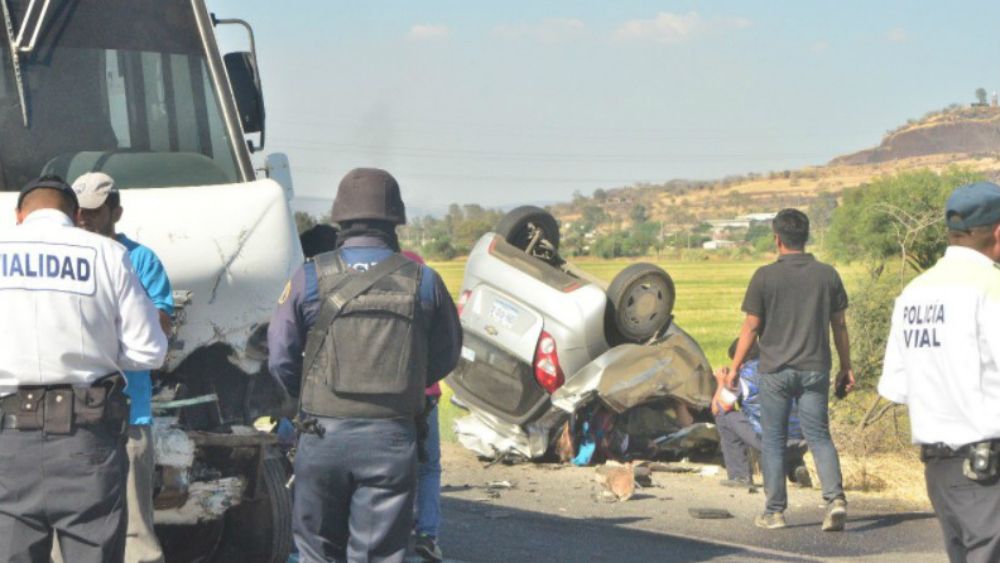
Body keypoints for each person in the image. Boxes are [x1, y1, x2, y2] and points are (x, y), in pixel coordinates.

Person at [268, 167, 462, 563]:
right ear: (395, 222)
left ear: (341, 218)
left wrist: (305, 396)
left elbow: (280, 357)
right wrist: (406, 380)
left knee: (315, 553)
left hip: (321, 435)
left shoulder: (308, 278)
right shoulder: (425, 281)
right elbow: (447, 354)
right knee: (378, 555)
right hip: (391, 438)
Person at [0, 176, 167, 562]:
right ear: (75, 214)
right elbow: (149, 351)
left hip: (8, 445)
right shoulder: (107, 254)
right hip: (86, 441)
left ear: (18, 215)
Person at [879, 182, 1000, 563]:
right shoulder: (990, 287)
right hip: (988, 468)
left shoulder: (914, 292)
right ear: (998, 231)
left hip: (941, 469)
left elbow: (896, 385)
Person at [727, 208, 854, 531]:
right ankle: (835, 499)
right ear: (806, 236)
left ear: (777, 238)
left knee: (773, 439)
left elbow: (751, 328)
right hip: (815, 369)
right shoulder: (828, 275)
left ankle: (774, 512)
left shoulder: (764, 276)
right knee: (819, 435)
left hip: (775, 372)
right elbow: (839, 325)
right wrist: (846, 367)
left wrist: (734, 367)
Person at [72, 172, 174, 563]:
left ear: (116, 211)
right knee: (74, 526)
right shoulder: (66, 258)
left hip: (130, 414)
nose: (83, 218)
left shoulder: (140, 259)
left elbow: (161, 325)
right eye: (77, 209)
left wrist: (121, 300)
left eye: (95, 211)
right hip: (75, 415)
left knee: (135, 532)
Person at [712, 339, 811, 489]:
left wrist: (721, 382)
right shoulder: (784, 369)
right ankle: (795, 467)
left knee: (725, 417)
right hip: (801, 440)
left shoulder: (742, 377)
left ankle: (740, 476)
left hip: (771, 442)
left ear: (739, 359)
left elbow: (717, 408)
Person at [402, 250, 444, 563]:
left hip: (387, 394)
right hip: (426, 393)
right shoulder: (419, 269)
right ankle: (428, 535)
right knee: (428, 467)